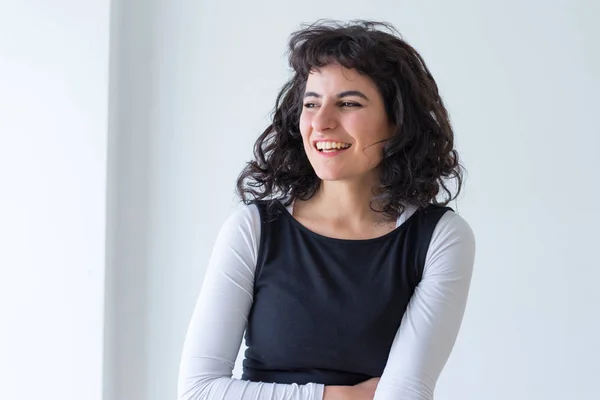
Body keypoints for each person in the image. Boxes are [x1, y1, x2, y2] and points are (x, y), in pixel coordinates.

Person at [178, 20, 476, 400]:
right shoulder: (253, 229)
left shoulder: (441, 238)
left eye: (349, 103)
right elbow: (198, 391)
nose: (321, 122)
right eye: (311, 104)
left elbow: (406, 394)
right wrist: (344, 397)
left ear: (398, 120)